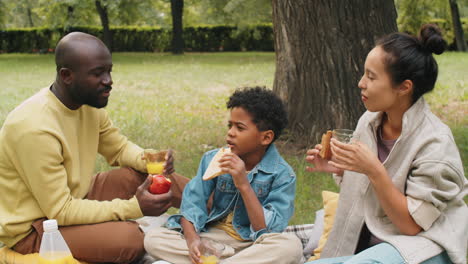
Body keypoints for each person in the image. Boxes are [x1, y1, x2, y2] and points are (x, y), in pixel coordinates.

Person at [0, 32, 189, 263]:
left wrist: (150, 160)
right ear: (66, 75)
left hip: (75, 196)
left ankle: (222, 207)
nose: (108, 80)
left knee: (144, 175)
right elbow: (61, 210)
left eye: (109, 71)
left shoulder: (87, 104)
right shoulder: (34, 127)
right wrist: (134, 207)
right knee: (130, 240)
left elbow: (118, 149)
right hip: (36, 229)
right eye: (98, 73)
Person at [305, 24, 467, 264]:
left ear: (404, 87)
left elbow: (412, 225)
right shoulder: (369, 122)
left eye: (371, 76)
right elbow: (370, 189)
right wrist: (342, 168)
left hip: (427, 243)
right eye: (364, 74)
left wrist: (373, 169)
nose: (361, 83)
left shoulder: (435, 143)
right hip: (380, 241)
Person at [144, 87, 303, 264]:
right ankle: (214, 258)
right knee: (153, 238)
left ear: (265, 138)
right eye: (230, 125)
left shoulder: (283, 175)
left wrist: (243, 183)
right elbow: (191, 207)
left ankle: (220, 261)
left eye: (240, 128)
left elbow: (266, 231)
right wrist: (193, 241)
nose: (230, 132)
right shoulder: (212, 159)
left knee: (291, 247)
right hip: (210, 238)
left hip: (252, 245)